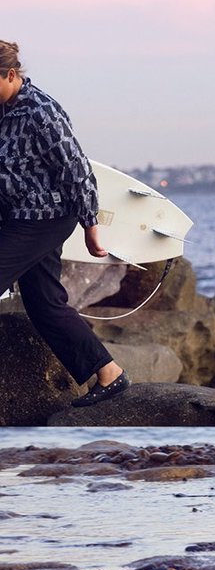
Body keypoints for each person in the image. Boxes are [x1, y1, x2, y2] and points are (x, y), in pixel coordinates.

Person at [0, 41, 129, 407]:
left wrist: (91, 225)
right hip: (18, 215)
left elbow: (77, 170)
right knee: (44, 304)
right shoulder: (2, 108)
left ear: (11, 75)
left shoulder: (42, 111)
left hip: (47, 217)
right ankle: (109, 374)